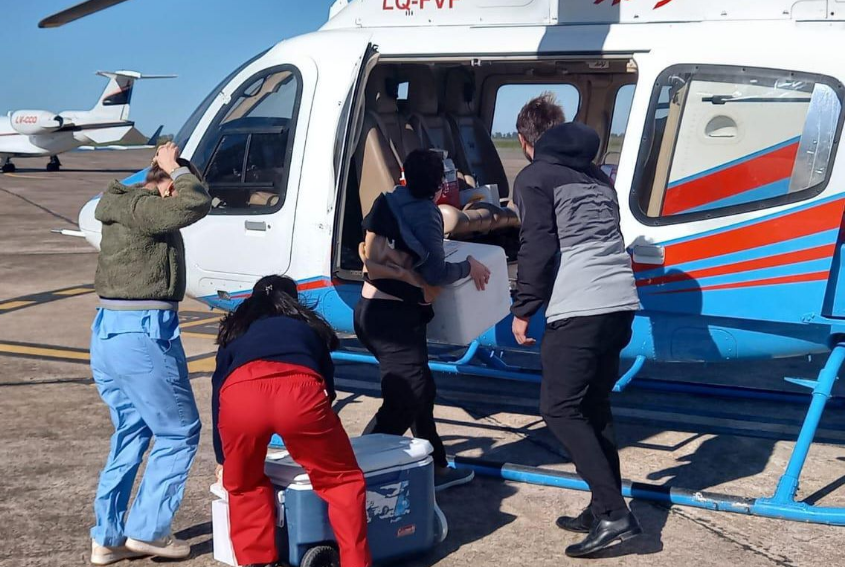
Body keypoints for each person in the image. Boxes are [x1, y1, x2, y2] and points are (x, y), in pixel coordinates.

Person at [510, 95, 643, 557]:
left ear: (527, 142)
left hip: (582, 304)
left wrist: (524, 308)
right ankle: (600, 505)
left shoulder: (534, 177)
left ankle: (614, 515)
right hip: (620, 300)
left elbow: (537, 247)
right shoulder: (597, 177)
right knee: (593, 405)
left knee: (559, 408)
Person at [89, 142, 211, 564]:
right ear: (163, 185)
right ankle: (149, 532)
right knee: (179, 433)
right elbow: (195, 204)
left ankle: (107, 537)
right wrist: (172, 168)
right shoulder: (145, 207)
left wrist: (162, 170)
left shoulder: (121, 205)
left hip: (109, 332)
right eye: (174, 185)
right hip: (143, 333)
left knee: (132, 433)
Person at [354, 149, 491, 492]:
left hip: (371, 311)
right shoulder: (427, 213)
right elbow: (436, 272)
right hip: (394, 319)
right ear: (439, 185)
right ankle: (354, 470)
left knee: (421, 391)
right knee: (406, 399)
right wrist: (469, 266)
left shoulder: (390, 200)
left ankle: (436, 466)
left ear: (403, 176)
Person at [213, 275, 372, 567]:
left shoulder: (236, 330)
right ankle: (354, 562)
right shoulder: (306, 326)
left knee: (243, 484)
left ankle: (258, 562)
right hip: (300, 392)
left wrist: (223, 457)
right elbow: (329, 387)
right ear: (293, 301)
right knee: (342, 481)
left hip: (239, 396)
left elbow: (217, 392)